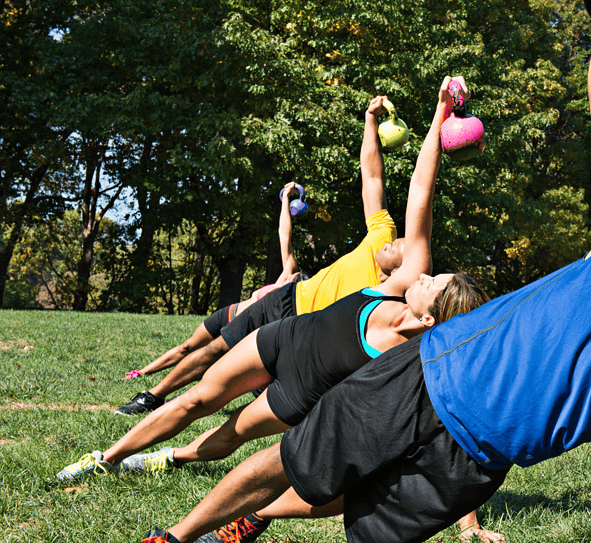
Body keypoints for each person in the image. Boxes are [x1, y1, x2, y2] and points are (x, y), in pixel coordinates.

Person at [111, 2, 591, 543]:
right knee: (293, 460)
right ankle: (171, 542)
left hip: (480, 459)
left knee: (360, 503)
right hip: (431, 372)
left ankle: (248, 522)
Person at [58, 80, 480, 483]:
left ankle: (168, 457)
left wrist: (468, 522)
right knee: (197, 399)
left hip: (302, 390)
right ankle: (105, 459)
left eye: (433, 284)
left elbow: (447, 422)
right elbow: (421, 189)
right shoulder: (402, 279)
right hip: (283, 337)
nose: (424, 276)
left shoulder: (415, 358)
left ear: (432, 321)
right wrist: (441, 110)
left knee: (232, 433)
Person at [113, 96, 403, 416]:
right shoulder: (380, 237)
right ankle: (152, 395)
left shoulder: (388, 303)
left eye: (402, 246)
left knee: (245, 379)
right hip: (287, 300)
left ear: (406, 269)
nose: (394, 242)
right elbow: (372, 177)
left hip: (307, 334)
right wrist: (370, 122)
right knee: (216, 349)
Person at [119, 182, 308, 382]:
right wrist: (286, 198)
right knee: (188, 346)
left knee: (208, 363)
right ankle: (140, 373)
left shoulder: (293, 309)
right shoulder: (287, 276)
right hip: (229, 314)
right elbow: (284, 233)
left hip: (240, 334)